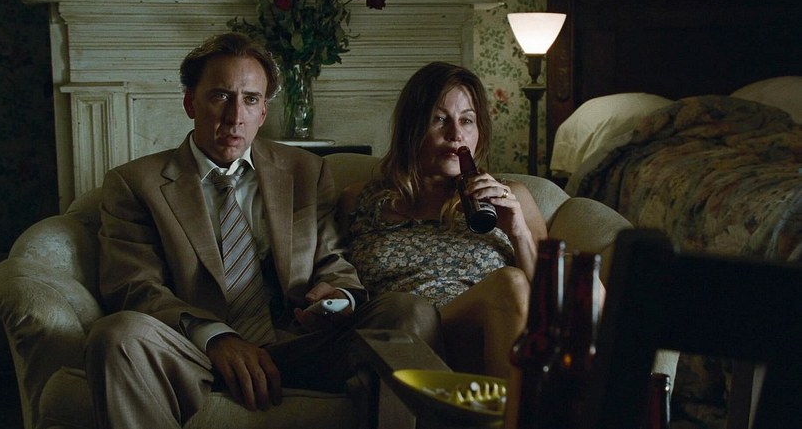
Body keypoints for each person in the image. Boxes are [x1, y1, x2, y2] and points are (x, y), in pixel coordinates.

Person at [85, 32, 441, 429]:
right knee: (116, 334)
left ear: (264, 111)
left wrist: (337, 298)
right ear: (190, 102)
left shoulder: (305, 171)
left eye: (250, 99)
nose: (235, 116)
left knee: (409, 312)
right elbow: (135, 287)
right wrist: (217, 337)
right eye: (220, 96)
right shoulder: (137, 183)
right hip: (194, 351)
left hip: (300, 343)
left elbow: (333, 263)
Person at [338, 61, 548, 378]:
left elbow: (551, 301)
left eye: (467, 120)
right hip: (401, 336)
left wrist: (518, 232)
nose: (455, 134)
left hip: (488, 338)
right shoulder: (360, 200)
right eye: (439, 119)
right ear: (412, 127)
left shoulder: (510, 197)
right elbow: (334, 276)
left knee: (510, 283)